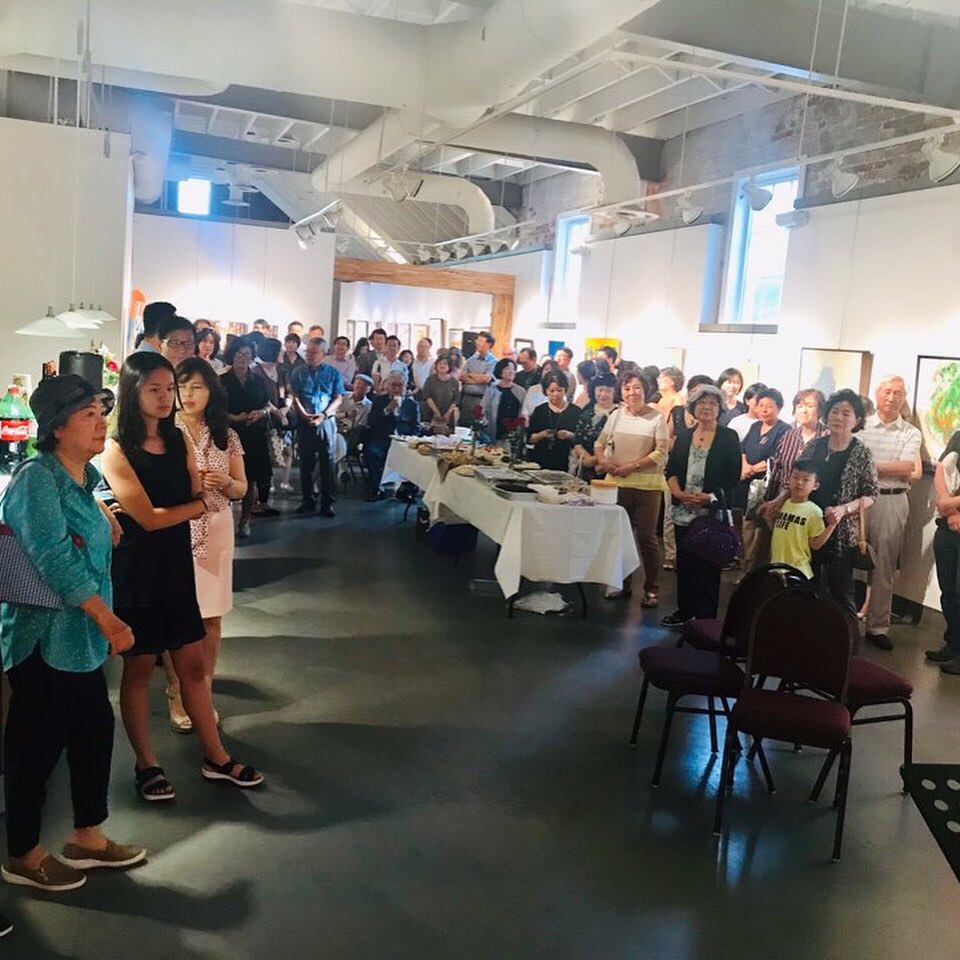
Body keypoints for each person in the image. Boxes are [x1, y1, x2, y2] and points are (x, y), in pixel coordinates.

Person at [1, 376, 145, 894]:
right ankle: (23, 854)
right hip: (44, 639)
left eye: (101, 412)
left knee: (93, 733)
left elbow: (77, 525)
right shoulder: (36, 478)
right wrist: (109, 620)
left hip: (78, 641)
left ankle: (87, 835)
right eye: (88, 414)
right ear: (57, 427)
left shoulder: (82, 476)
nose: (100, 422)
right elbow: (56, 560)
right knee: (34, 750)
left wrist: (102, 509)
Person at [102, 352, 263, 800]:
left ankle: (216, 756)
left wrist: (196, 502)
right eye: (154, 389)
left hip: (176, 564)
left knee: (192, 666)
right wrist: (197, 506)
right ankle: (146, 764)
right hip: (138, 569)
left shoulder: (177, 439)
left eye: (168, 388)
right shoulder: (117, 448)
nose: (165, 397)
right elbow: (150, 518)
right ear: (132, 393)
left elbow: (195, 494)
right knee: (139, 670)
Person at [760, 389, 879, 617]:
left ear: (857, 420)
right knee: (806, 589)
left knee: (840, 593)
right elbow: (796, 479)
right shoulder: (815, 445)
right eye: (835, 411)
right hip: (805, 527)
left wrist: (844, 510)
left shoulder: (861, 452)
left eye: (846, 413)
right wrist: (778, 500)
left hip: (840, 531)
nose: (838, 417)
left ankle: (844, 636)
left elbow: (871, 494)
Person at [175, 357, 247, 724]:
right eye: (182, 386)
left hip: (216, 528)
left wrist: (227, 483)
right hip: (175, 528)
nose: (188, 394)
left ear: (210, 392)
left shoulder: (226, 435)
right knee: (177, 616)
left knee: (211, 618)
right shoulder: (165, 432)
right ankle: (177, 693)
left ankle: (203, 690)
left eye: (197, 387)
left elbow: (241, 488)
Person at [662, 384, 742, 627]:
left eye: (712, 403)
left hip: (711, 511)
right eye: (701, 403)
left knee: (708, 566)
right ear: (693, 407)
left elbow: (733, 477)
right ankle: (685, 612)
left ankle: (706, 620)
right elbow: (671, 470)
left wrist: (709, 497)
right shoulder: (685, 436)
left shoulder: (728, 437)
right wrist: (678, 492)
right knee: (685, 564)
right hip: (683, 508)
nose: (707, 407)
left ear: (720, 408)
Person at [858, 376, 922, 650]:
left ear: (904, 397)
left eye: (898, 393)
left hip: (892, 500)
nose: (892, 397)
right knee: (844, 558)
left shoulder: (910, 432)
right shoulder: (861, 426)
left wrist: (868, 465)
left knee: (883, 565)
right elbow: (852, 460)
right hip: (858, 500)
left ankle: (877, 627)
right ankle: (840, 620)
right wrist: (887, 465)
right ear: (877, 393)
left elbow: (906, 468)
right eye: (887, 391)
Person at [595, 370, 668, 606]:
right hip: (617, 482)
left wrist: (633, 466)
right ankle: (622, 582)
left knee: (646, 536)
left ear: (645, 390)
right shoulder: (616, 415)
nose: (631, 393)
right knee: (619, 534)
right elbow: (599, 442)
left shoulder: (657, 418)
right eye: (626, 388)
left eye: (637, 387)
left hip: (647, 485)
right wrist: (603, 461)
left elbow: (661, 451)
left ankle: (651, 588)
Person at [221, 339, 273, 536]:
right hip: (229, 434)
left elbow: (267, 405)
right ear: (232, 356)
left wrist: (260, 413)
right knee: (225, 478)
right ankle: (224, 518)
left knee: (250, 479)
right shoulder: (222, 380)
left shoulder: (257, 380)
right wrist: (234, 418)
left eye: (247, 355)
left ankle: (245, 521)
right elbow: (215, 409)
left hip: (253, 434)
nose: (243, 358)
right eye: (239, 354)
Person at [737, 388, 791, 569]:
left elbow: (775, 458)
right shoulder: (755, 426)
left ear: (779, 408)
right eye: (761, 405)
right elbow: (743, 448)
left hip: (767, 487)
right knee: (747, 526)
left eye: (770, 406)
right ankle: (746, 567)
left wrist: (751, 469)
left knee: (760, 530)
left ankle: (755, 570)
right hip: (747, 484)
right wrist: (745, 465)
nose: (764, 410)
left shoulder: (784, 429)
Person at [289, 337, 343, 517]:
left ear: (324, 353)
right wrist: (304, 415)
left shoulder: (333, 373)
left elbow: (338, 397)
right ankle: (308, 500)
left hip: (326, 421)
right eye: (308, 352)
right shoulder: (298, 372)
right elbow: (295, 396)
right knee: (306, 463)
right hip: (305, 421)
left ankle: (328, 502)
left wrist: (324, 415)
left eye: (314, 352)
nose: (309, 355)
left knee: (328, 463)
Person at [770, 459, 840, 579]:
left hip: (799, 571)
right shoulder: (783, 504)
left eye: (806, 480)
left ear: (815, 485)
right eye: (795, 477)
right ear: (789, 479)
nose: (799, 483)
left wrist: (832, 525)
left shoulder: (814, 511)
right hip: (776, 568)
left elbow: (815, 545)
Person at [927, 428, 960, 674]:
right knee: (948, 590)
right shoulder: (958, 435)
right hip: (949, 524)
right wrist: (950, 510)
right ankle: (953, 643)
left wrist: (952, 504)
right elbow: (941, 468)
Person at [364, 373, 421, 500]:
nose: (396, 389)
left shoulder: (412, 404)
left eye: (400, 385)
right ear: (387, 386)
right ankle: (377, 489)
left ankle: (406, 490)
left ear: (405, 387)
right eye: (393, 385)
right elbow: (371, 421)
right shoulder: (379, 401)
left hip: (404, 440)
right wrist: (387, 409)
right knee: (372, 452)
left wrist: (410, 439)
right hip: (383, 437)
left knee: (414, 456)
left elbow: (416, 427)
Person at [765, 389, 827, 503]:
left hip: (813, 504)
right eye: (800, 406)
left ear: (820, 410)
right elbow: (777, 471)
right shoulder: (788, 436)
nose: (804, 411)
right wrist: (769, 501)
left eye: (810, 406)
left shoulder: (827, 437)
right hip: (783, 502)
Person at [527, 371, 579, 471]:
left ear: (565, 389)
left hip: (565, 462)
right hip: (540, 461)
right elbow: (529, 438)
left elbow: (581, 439)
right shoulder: (540, 410)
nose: (555, 394)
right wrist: (542, 434)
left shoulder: (575, 411)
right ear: (545, 391)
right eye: (551, 391)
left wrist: (569, 435)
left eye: (559, 390)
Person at [571, 371, 617, 481]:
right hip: (586, 467)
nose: (603, 394)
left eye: (608, 391)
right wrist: (588, 459)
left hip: (610, 469)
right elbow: (577, 440)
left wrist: (600, 461)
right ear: (594, 390)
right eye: (600, 390)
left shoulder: (619, 413)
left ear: (615, 392)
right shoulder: (587, 411)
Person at [481, 358, 526, 441]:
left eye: (513, 369)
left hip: (512, 433)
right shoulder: (492, 388)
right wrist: (484, 423)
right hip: (493, 430)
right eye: (508, 369)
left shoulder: (520, 391)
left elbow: (522, 412)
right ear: (500, 371)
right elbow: (483, 408)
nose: (511, 372)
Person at [458, 331, 497, 425]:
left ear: (489, 344)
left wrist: (470, 374)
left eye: (481, 341)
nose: (477, 343)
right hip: (466, 398)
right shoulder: (471, 359)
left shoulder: (493, 361)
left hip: (480, 400)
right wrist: (479, 378)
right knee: (463, 425)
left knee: (477, 426)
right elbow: (462, 376)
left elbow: (486, 379)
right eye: (477, 340)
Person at [421, 356, 461, 434]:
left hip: (448, 414)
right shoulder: (430, 379)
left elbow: (456, 399)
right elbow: (427, 396)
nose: (442, 365)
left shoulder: (454, 381)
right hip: (431, 412)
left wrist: (448, 413)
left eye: (445, 364)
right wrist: (436, 412)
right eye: (440, 363)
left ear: (449, 366)